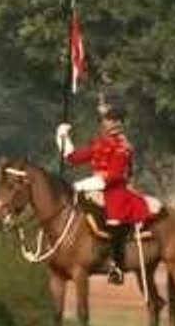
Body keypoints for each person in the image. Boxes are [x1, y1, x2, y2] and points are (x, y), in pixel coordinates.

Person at [56, 97, 150, 285]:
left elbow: (115, 176)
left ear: (118, 123)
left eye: (108, 119)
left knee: (114, 220)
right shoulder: (100, 142)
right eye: (104, 119)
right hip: (96, 189)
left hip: (115, 191)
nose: (104, 122)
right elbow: (73, 158)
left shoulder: (122, 147)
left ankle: (117, 265)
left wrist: (87, 183)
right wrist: (63, 137)